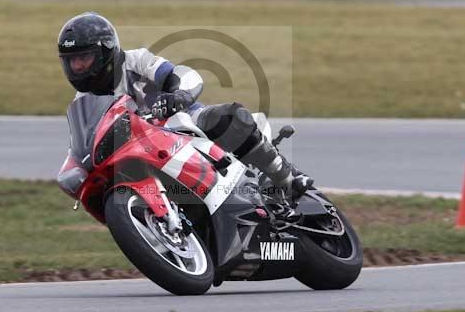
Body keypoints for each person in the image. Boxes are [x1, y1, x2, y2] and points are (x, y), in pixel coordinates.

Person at [55, 12, 313, 202]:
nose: (78, 67)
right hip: (141, 151)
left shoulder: (136, 61)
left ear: (106, 51)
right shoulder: (82, 103)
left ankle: (286, 178)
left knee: (231, 118)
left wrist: (176, 97)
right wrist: (72, 171)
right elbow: (82, 146)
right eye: (72, 61)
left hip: (181, 123)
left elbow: (183, 75)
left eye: (84, 58)